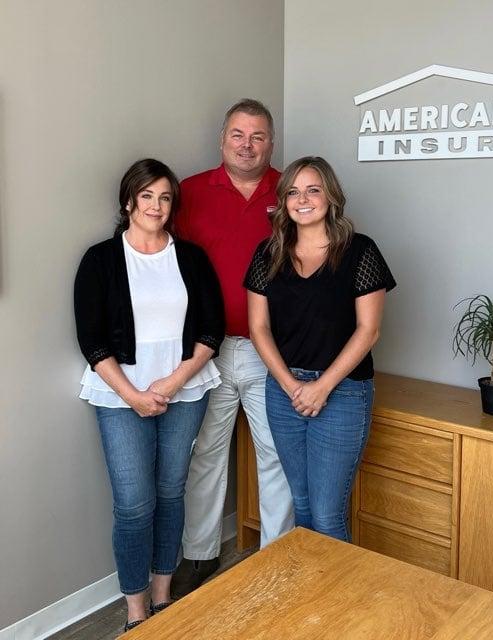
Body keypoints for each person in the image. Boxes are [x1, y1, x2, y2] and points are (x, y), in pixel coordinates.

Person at [73, 159, 225, 632]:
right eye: (147, 196)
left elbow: (211, 328)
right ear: (128, 201)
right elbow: (92, 338)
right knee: (134, 502)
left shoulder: (192, 258)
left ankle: (163, 595)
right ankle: (136, 609)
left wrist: (177, 379)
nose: (156, 206)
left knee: (171, 491)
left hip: (185, 388)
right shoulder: (100, 260)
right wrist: (133, 394)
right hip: (120, 395)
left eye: (164, 198)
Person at [172, 99, 294, 598]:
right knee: (204, 455)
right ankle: (200, 555)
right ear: (223, 140)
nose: (248, 145)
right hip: (207, 350)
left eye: (258, 136)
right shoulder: (189, 192)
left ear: (272, 142)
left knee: (276, 455)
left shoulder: (292, 191)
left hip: (274, 352)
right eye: (239, 135)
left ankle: (278, 558)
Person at [244, 156, 396, 542]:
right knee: (303, 504)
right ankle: (309, 599)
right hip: (284, 393)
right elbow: (258, 328)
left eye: (313, 189)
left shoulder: (360, 251)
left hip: (342, 392)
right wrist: (291, 385)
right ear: (283, 201)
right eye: (293, 192)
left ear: (330, 196)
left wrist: (321, 386)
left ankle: (336, 602)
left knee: (328, 515)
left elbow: (369, 330)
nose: (303, 199)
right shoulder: (268, 253)